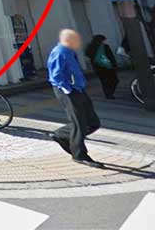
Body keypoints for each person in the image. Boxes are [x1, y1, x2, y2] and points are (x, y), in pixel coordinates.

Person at [47, 29, 102, 167]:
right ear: (68, 40)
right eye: (76, 39)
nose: (79, 42)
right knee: (79, 123)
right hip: (68, 91)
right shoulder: (60, 52)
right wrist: (68, 89)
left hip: (78, 89)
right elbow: (56, 75)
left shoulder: (69, 51)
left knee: (93, 122)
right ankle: (79, 155)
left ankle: (61, 134)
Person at [86, 34, 119, 99]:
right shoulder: (105, 47)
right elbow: (110, 56)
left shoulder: (90, 47)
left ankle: (108, 94)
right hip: (108, 66)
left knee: (104, 81)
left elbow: (88, 55)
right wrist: (114, 64)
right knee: (114, 80)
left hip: (98, 67)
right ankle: (110, 92)